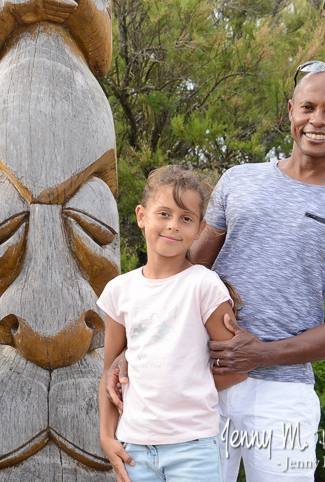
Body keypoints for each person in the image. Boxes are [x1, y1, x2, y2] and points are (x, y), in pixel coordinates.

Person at [107, 62, 325, 481]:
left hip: (283, 396)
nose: (317, 120)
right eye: (307, 106)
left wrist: (265, 354)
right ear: (291, 110)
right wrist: (136, 349)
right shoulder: (240, 181)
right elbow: (184, 270)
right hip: (198, 384)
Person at [98, 165, 248, 482]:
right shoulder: (118, 291)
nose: (173, 226)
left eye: (186, 218)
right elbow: (110, 369)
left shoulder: (204, 286)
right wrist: (107, 436)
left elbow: (238, 367)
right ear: (142, 216)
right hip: (135, 450)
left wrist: (184, 386)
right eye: (163, 214)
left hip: (193, 449)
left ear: (199, 228)